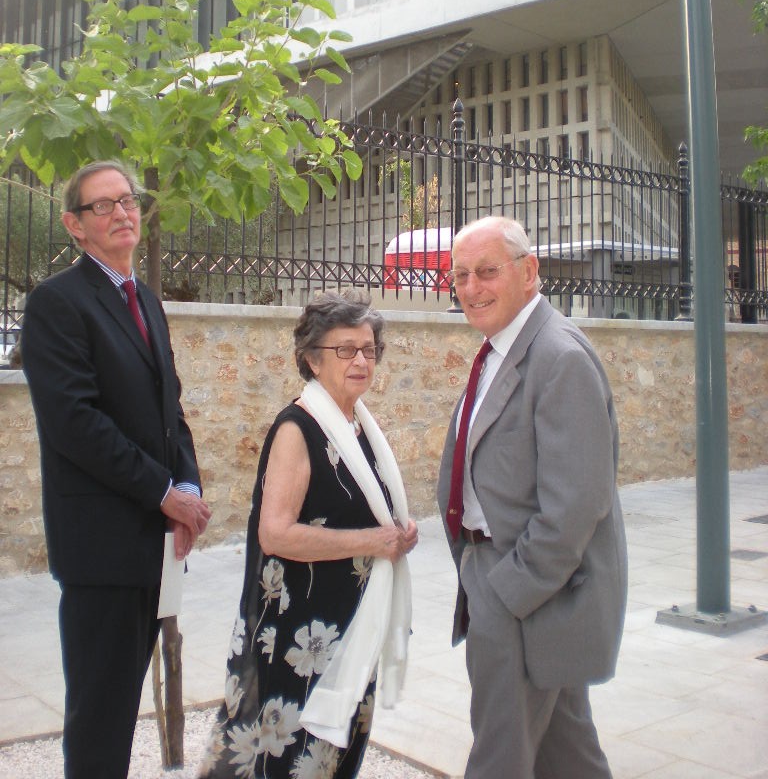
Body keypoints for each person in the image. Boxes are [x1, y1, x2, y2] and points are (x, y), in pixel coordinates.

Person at [21, 160, 211, 779]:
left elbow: (167, 410)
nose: (121, 212)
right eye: (102, 206)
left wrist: (187, 485)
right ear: (75, 226)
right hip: (101, 551)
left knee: (125, 708)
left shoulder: (146, 301)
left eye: (126, 200)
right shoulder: (56, 304)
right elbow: (76, 425)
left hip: (153, 545)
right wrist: (164, 494)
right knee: (101, 721)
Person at [437, 216, 627, 779]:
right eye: (461, 275)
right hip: (510, 584)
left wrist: (508, 592)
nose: (472, 289)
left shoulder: (559, 356)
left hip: (529, 596)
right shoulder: (503, 347)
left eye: (487, 271)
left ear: (529, 270)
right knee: (568, 756)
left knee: (500, 757)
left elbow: (576, 504)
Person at [199, 291, 418, 779]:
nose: (361, 359)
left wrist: (398, 533)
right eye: (345, 349)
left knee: (337, 756)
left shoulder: (359, 425)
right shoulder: (297, 429)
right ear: (312, 360)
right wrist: (374, 542)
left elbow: (368, 514)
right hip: (297, 636)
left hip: (350, 627)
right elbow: (275, 534)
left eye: (368, 349)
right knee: (288, 759)